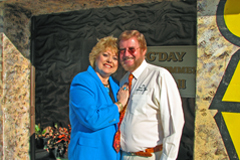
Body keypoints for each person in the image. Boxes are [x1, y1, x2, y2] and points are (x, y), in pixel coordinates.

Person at [118, 30, 185, 160]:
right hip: (123, 155)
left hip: (148, 156)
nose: (126, 54)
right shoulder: (124, 80)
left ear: (143, 50)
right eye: (122, 50)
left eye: (132, 49)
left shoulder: (159, 76)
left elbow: (174, 124)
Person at [68, 36, 129, 160]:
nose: (110, 60)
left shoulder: (116, 85)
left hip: (112, 154)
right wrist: (120, 104)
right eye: (105, 55)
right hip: (89, 155)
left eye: (115, 58)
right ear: (96, 56)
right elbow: (92, 119)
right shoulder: (83, 81)